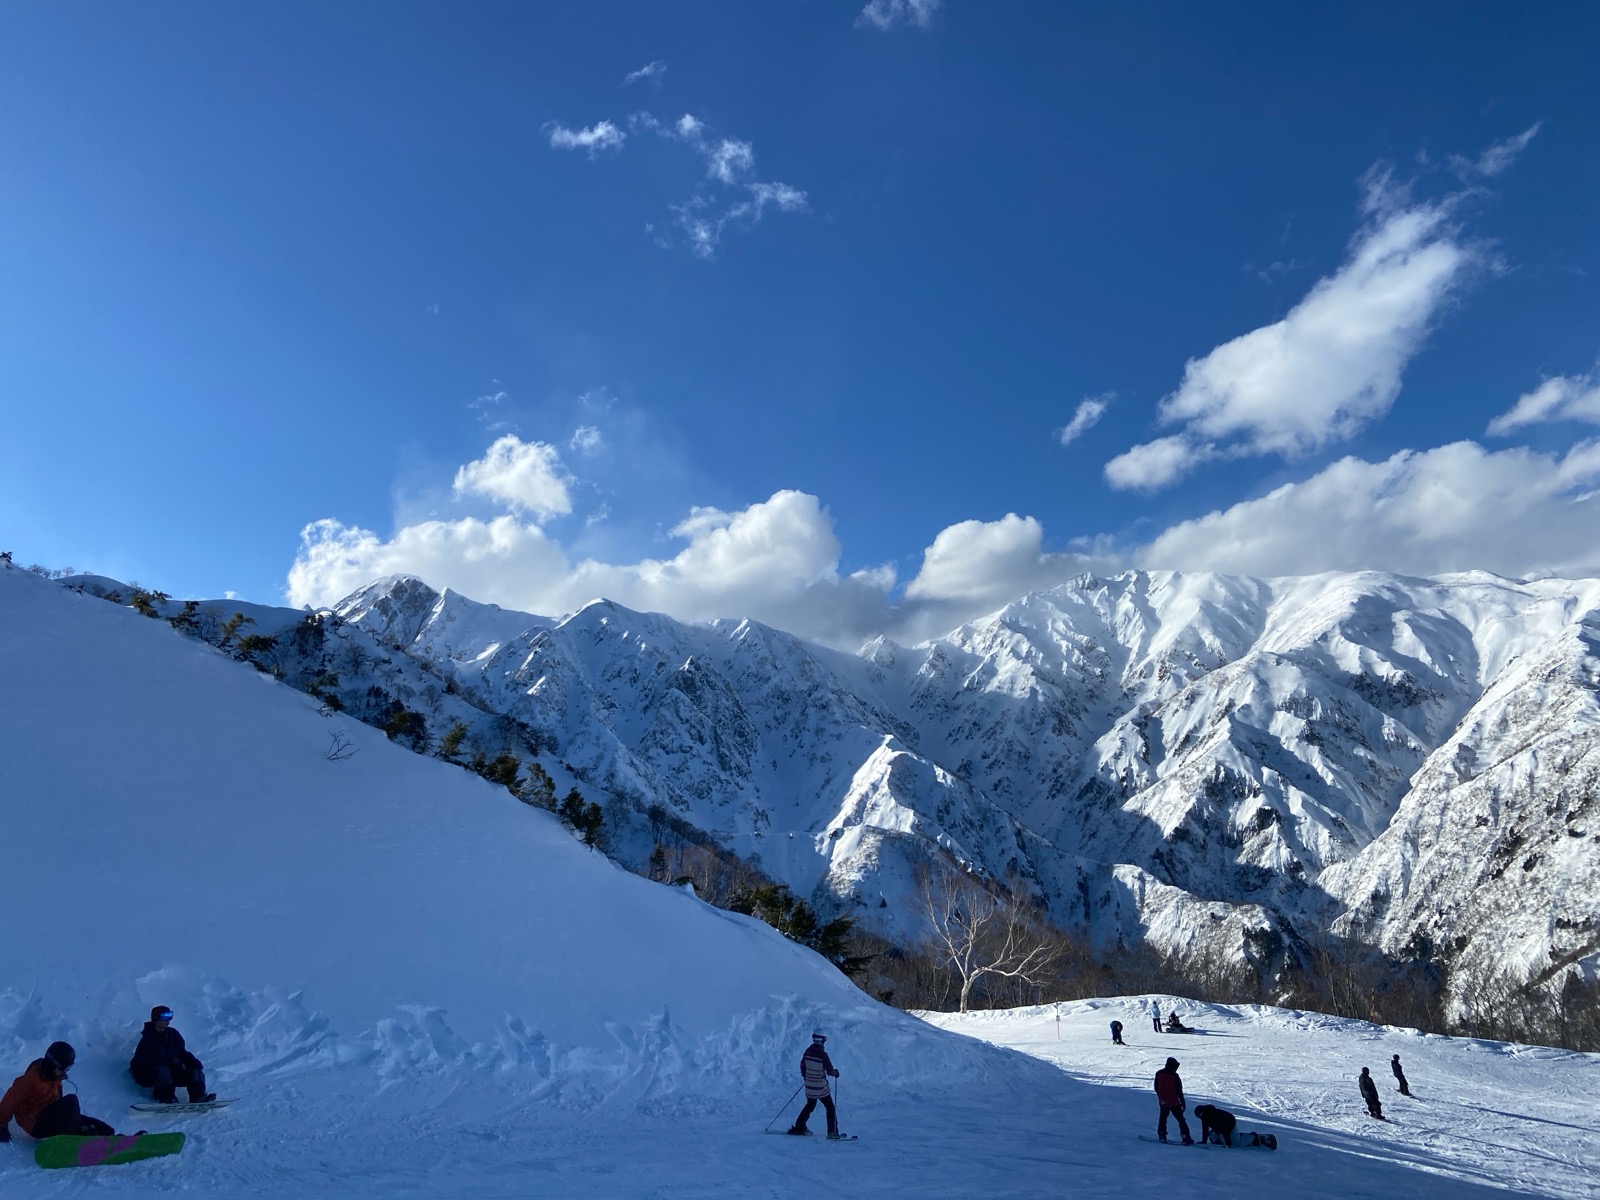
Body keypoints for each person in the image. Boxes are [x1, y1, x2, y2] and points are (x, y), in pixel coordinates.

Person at [0, 1041, 118, 1141]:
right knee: (71, 1101)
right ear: (53, 1064)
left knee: (97, 1126)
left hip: (50, 1116)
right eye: (64, 1068)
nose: (65, 1071)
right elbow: (10, 1099)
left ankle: (112, 1139)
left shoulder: (53, 1076)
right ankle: (72, 1138)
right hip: (36, 1123)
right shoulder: (30, 1080)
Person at [130, 1006, 215, 1104]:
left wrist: (191, 1061)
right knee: (162, 1069)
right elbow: (144, 1061)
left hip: (170, 1073)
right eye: (164, 1017)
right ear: (156, 1019)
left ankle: (198, 1097)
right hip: (148, 1075)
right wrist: (172, 1061)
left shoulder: (172, 1034)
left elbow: (181, 1052)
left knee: (194, 1069)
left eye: (170, 1016)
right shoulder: (148, 1039)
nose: (168, 1020)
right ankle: (166, 1097)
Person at [786, 1030, 841, 1138]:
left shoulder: (807, 1051)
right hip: (821, 1087)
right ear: (823, 1041)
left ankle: (799, 1127)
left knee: (810, 1105)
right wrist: (836, 1073)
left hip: (809, 1085)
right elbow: (830, 1071)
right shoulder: (823, 1055)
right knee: (830, 1107)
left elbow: (802, 1066)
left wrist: (807, 1077)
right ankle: (832, 1132)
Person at [1153, 1057, 1193, 1144]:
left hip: (1163, 1100)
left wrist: (1160, 1097)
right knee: (1181, 1119)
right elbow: (1179, 1090)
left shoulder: (1159, 1073)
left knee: (1163, 1118)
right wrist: (1182, 1101)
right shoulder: (1174, 1076)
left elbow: (1156, 1087)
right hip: (1174, 1101)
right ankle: (1186, 1137)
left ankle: (1162, 1135)